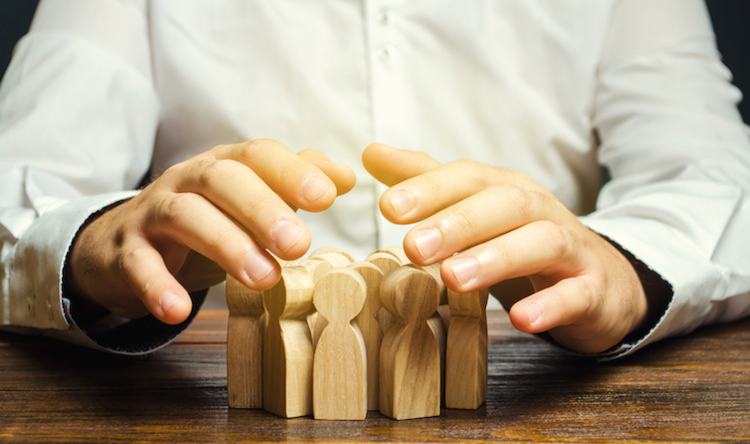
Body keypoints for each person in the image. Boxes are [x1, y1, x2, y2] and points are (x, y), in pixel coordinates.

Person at [1, 0, 749, 358]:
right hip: (226, 387)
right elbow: (16, 188)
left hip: (521, 379)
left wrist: (626, 271)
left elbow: (721, 179)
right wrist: (93, 242)